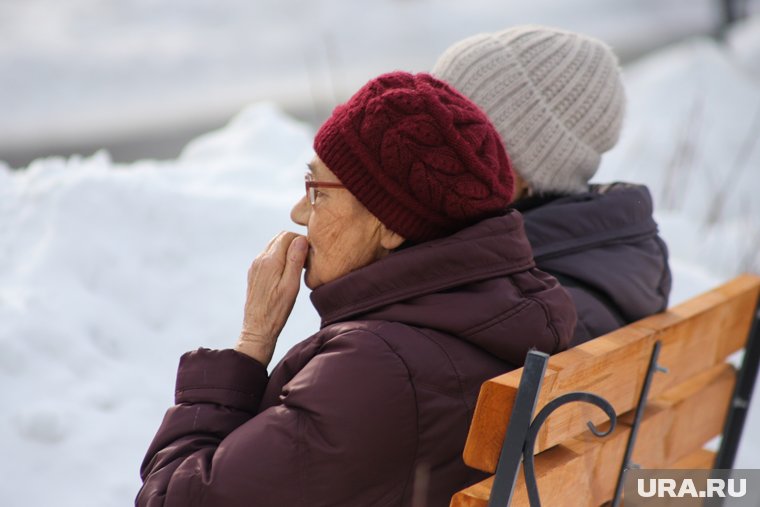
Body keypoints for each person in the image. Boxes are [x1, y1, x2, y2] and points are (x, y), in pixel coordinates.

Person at [136, 72, 576, 507]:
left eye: (316, 192)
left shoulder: (377, 370)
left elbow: (173, 498)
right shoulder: (508, 309)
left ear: (389, 224)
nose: (297, 213)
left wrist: (252, 343)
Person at [432, 25, 672, 345]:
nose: (431, 145)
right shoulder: (599, 260)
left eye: (463, 130)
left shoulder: (519, 304)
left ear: (531, 169)